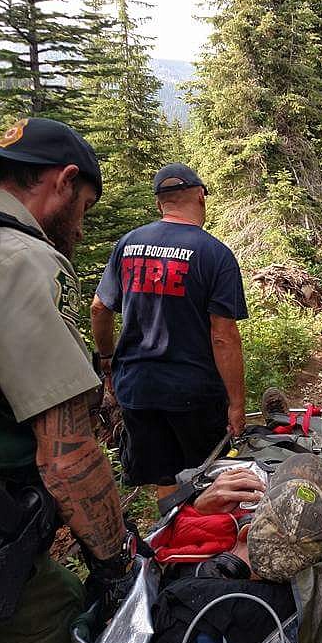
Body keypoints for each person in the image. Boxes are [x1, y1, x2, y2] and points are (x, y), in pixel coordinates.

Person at [0, 117, 134, 643]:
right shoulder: (21, 261)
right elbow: (65, 448)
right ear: (63, 183)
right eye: (85, 209)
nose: (81, 228)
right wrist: (113, 563)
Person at [91, 163, 248, 500]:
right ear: (201, 197)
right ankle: (205, 546)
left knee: (165, 477)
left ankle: (170, 544)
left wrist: (107, 358)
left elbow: (99, 308)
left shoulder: (128, 244)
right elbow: (223, 336)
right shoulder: (215, 254)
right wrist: (236, 403)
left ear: (160, 202)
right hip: (193, 392)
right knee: (208, 479)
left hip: (137, 388)